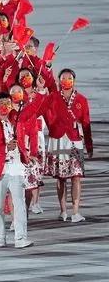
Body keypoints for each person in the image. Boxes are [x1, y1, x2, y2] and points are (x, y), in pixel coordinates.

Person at [0, 92, 33, 248]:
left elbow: (34, 111)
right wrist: (5, 148)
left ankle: (20, 238)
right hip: (0, 168)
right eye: (2, 103)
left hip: (16, 167)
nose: (5, 106)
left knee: (19, 204)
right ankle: (0, 238)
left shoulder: (17, 121)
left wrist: (40, 92)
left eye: (8, 103)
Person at [44, 69, 93, 222]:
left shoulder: (81, 100)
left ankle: (76, 212)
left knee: (76, 176)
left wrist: (89, 146)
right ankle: (63, 210)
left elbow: (86, 123)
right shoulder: (52, 97)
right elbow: (42, 112)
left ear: (74, 81)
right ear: (59, 81)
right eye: (63, 78)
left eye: (69, 78)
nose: (66, 81)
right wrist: (51, 126)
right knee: (60, 178)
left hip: (75, 140)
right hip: (58, 139)